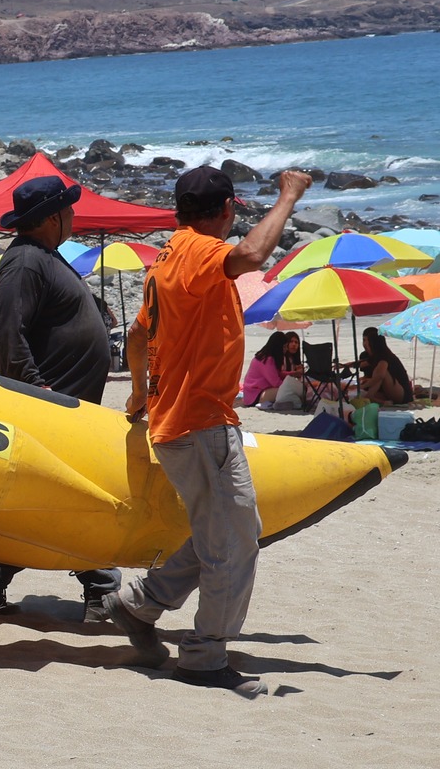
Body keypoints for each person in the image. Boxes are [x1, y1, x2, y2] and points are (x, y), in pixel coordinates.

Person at [99, 164, 315, 696]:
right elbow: (251, 256)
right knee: (237, 542)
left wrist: (137, 392)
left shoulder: (166, 257)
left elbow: (135, 335)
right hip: (201, 423)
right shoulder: (199, 250)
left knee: (220, 532)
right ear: (226, 210)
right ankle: (204, 656)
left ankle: (138, 605)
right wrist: (289, 195)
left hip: (176, 424)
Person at [0, 176, 120, 618]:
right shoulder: (24, 262)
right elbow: (10, 332)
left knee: (60, 501)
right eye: (68, 210)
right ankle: (102, 588)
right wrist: (35, 390)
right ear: (50, 218)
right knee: (73, 500)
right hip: (52, 403)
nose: (74, 217)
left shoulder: (44, 257)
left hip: (69, 404)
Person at [241, 330, 305, 408]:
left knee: (290, 390)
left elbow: (278, 373)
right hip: (256, 394)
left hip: (253, 393)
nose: (285, 350)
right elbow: (276, 383)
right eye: (284, 347)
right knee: (288, 391)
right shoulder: (267, 360)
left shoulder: (265, 356)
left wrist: (293, 374)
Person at [357, 328, 413, 407]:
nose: (365, 343)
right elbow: (362, 366)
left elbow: (380, 376)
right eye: (363, 340)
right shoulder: (367, 356)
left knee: (382, 373)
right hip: (388, 391)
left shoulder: (384, 356)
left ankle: (371, 397)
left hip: (401, 394)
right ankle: (374, 397)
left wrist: (361, 386)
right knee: (360, 393)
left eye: (366, 340)